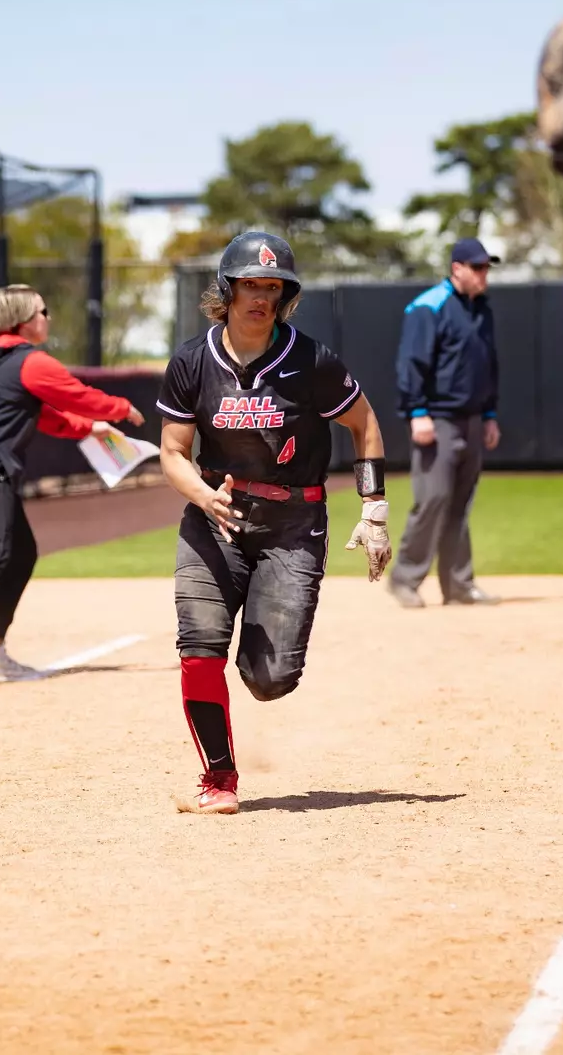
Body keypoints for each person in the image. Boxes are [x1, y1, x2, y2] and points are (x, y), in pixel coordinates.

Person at [156, 231, 394, 814]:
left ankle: (259, 664)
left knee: (269, 679)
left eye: (273, 287)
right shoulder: (192, 360)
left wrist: (374, 508)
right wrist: (203, 496)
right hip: (216, 520)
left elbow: (364, 423)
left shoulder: (310, 360)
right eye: (250, 286)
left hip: (293, 524)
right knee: (199, 646)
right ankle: (218, 779)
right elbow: (173, 452)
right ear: (227, 290)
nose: (261, 297)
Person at [0, 285, 145, 680]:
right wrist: (120, 408)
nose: (48, 318)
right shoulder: (31, 362)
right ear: (24, 319)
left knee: (21, 553)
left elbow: (44, 416)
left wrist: (89, 428)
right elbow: (76, 395)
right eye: (43, 311)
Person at [388, 237, 502, 608]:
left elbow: (488, 366)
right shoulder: (429, 306)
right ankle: (405, 579)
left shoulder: (481, 309)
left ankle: (458, 585)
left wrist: (489, 415)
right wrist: (417, 412)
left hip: (473, 418)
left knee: (460, 504)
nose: (484, 274)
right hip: (437, 419)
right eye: (477, 267)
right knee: (433, 499)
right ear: (457, 268)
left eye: (486, 268)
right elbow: (411, 363)